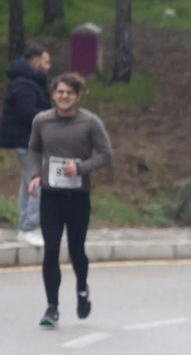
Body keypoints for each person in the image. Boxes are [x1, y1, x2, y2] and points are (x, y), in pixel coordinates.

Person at [23, 73, 112, 328]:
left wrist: (82, 168)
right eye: (60, 92)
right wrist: (34, 175)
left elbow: (105, 154)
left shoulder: (90, 122)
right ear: (53, 94)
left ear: (78, 96)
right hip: (51, 195)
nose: (64, 97)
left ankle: (82, 290)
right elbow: (33, 149)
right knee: (50, 250)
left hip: (78, 196)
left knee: (76, 250)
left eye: (69, 93)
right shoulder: (42, 120)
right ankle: (52, 307)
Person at [3, 43, 50, 246]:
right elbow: (27, 112)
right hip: (27, 140)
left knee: (28, 182)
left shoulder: (27, 82)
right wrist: (52, 119)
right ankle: (28, 227)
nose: (49, 66)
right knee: (37, 181)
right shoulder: (25, 84)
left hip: (25, 140)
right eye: (46, 62)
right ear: (35, 61)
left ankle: (24, 225)